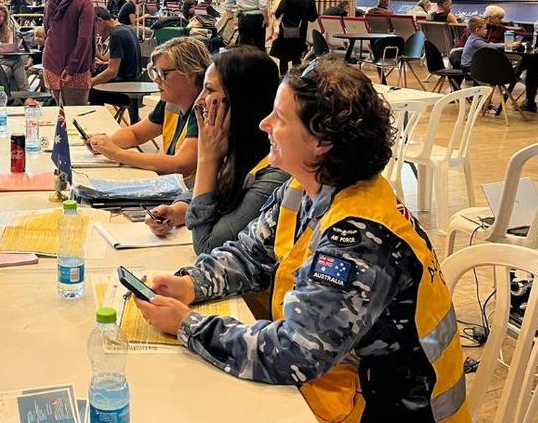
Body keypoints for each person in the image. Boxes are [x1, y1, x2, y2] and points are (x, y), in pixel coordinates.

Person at [135, 58, 468, 423]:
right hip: (344, 387)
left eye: (279, 118)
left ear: (321, 142)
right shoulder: (304, 188)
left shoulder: (359, 239)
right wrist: (190, 283)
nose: (264, 124)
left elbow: (294, 353)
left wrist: (188, 326)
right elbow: (249, 254)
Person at [146, 47, 288, 254]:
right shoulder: (238, 145)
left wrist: (207, 158)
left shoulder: (275, 173)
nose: (199, 100)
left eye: (210, 90)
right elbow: (216, 189)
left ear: (240, 100)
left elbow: (207, 245)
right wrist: (176, 211)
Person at [88, 37, 208, 180]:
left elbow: (181, 165)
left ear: (190, 74)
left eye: (164, 73)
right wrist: (104, 143)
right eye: (155, 73)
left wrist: (117, 154)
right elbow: (135, 134)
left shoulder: (204, 109)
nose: (157, 80)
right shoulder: (171, 102)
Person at [42, 0, 95, 106]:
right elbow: (84, 39)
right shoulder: (84, 3)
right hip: (75, 70)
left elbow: (47, 30)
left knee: (58, 116)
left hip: (51, 64)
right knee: (75, 117)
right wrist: (72, 69)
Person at [89, 7, 144, 117]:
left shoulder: (117, 36)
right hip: (134, 84)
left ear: (99, 21)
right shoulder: (125, 29)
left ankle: (98, 125)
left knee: (91, 92)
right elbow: (106, 59)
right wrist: (93, 49)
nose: (93, 31)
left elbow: (112, 72)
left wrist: (89, 83)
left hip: (124, 89)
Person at [271, 0, 318, 77]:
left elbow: (278, 12)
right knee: (296, 56)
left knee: (283, 57)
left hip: (286, 30)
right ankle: (296, 78)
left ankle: (283, 77)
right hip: (300, 32)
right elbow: (313, 18)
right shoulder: (309, 0)